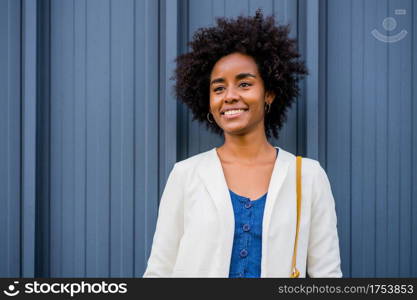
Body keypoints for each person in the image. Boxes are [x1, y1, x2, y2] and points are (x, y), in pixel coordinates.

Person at [143, 10, 342, 278]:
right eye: (218, 88)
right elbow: (159, 272)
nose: (230, 96)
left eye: (245, 84)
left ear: (269, 92)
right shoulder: (185, 175)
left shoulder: (308, 176)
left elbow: (327, 276)